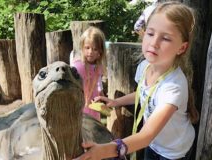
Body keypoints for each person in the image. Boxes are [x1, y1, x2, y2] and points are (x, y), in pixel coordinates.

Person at [74, 1, 199, 160]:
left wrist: (105, 150)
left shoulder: (174, 86)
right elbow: (142, 93)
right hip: (153, 143)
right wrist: (115, 102)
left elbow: (146, 135)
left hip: (173, 151)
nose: (154, 43)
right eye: (151, 33)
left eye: (165, 38)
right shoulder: (145, 67)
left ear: (181, 48)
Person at [71, 26, 106, 121]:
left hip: (93, 103)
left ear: (100, 50)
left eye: (95, 49)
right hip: (80, 102)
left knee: (94, 126)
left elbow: (98, 82)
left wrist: (101, 95)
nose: (90, 52)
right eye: (87, 48)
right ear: (82, 47)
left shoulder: (99, 66)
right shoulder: (77, 66)